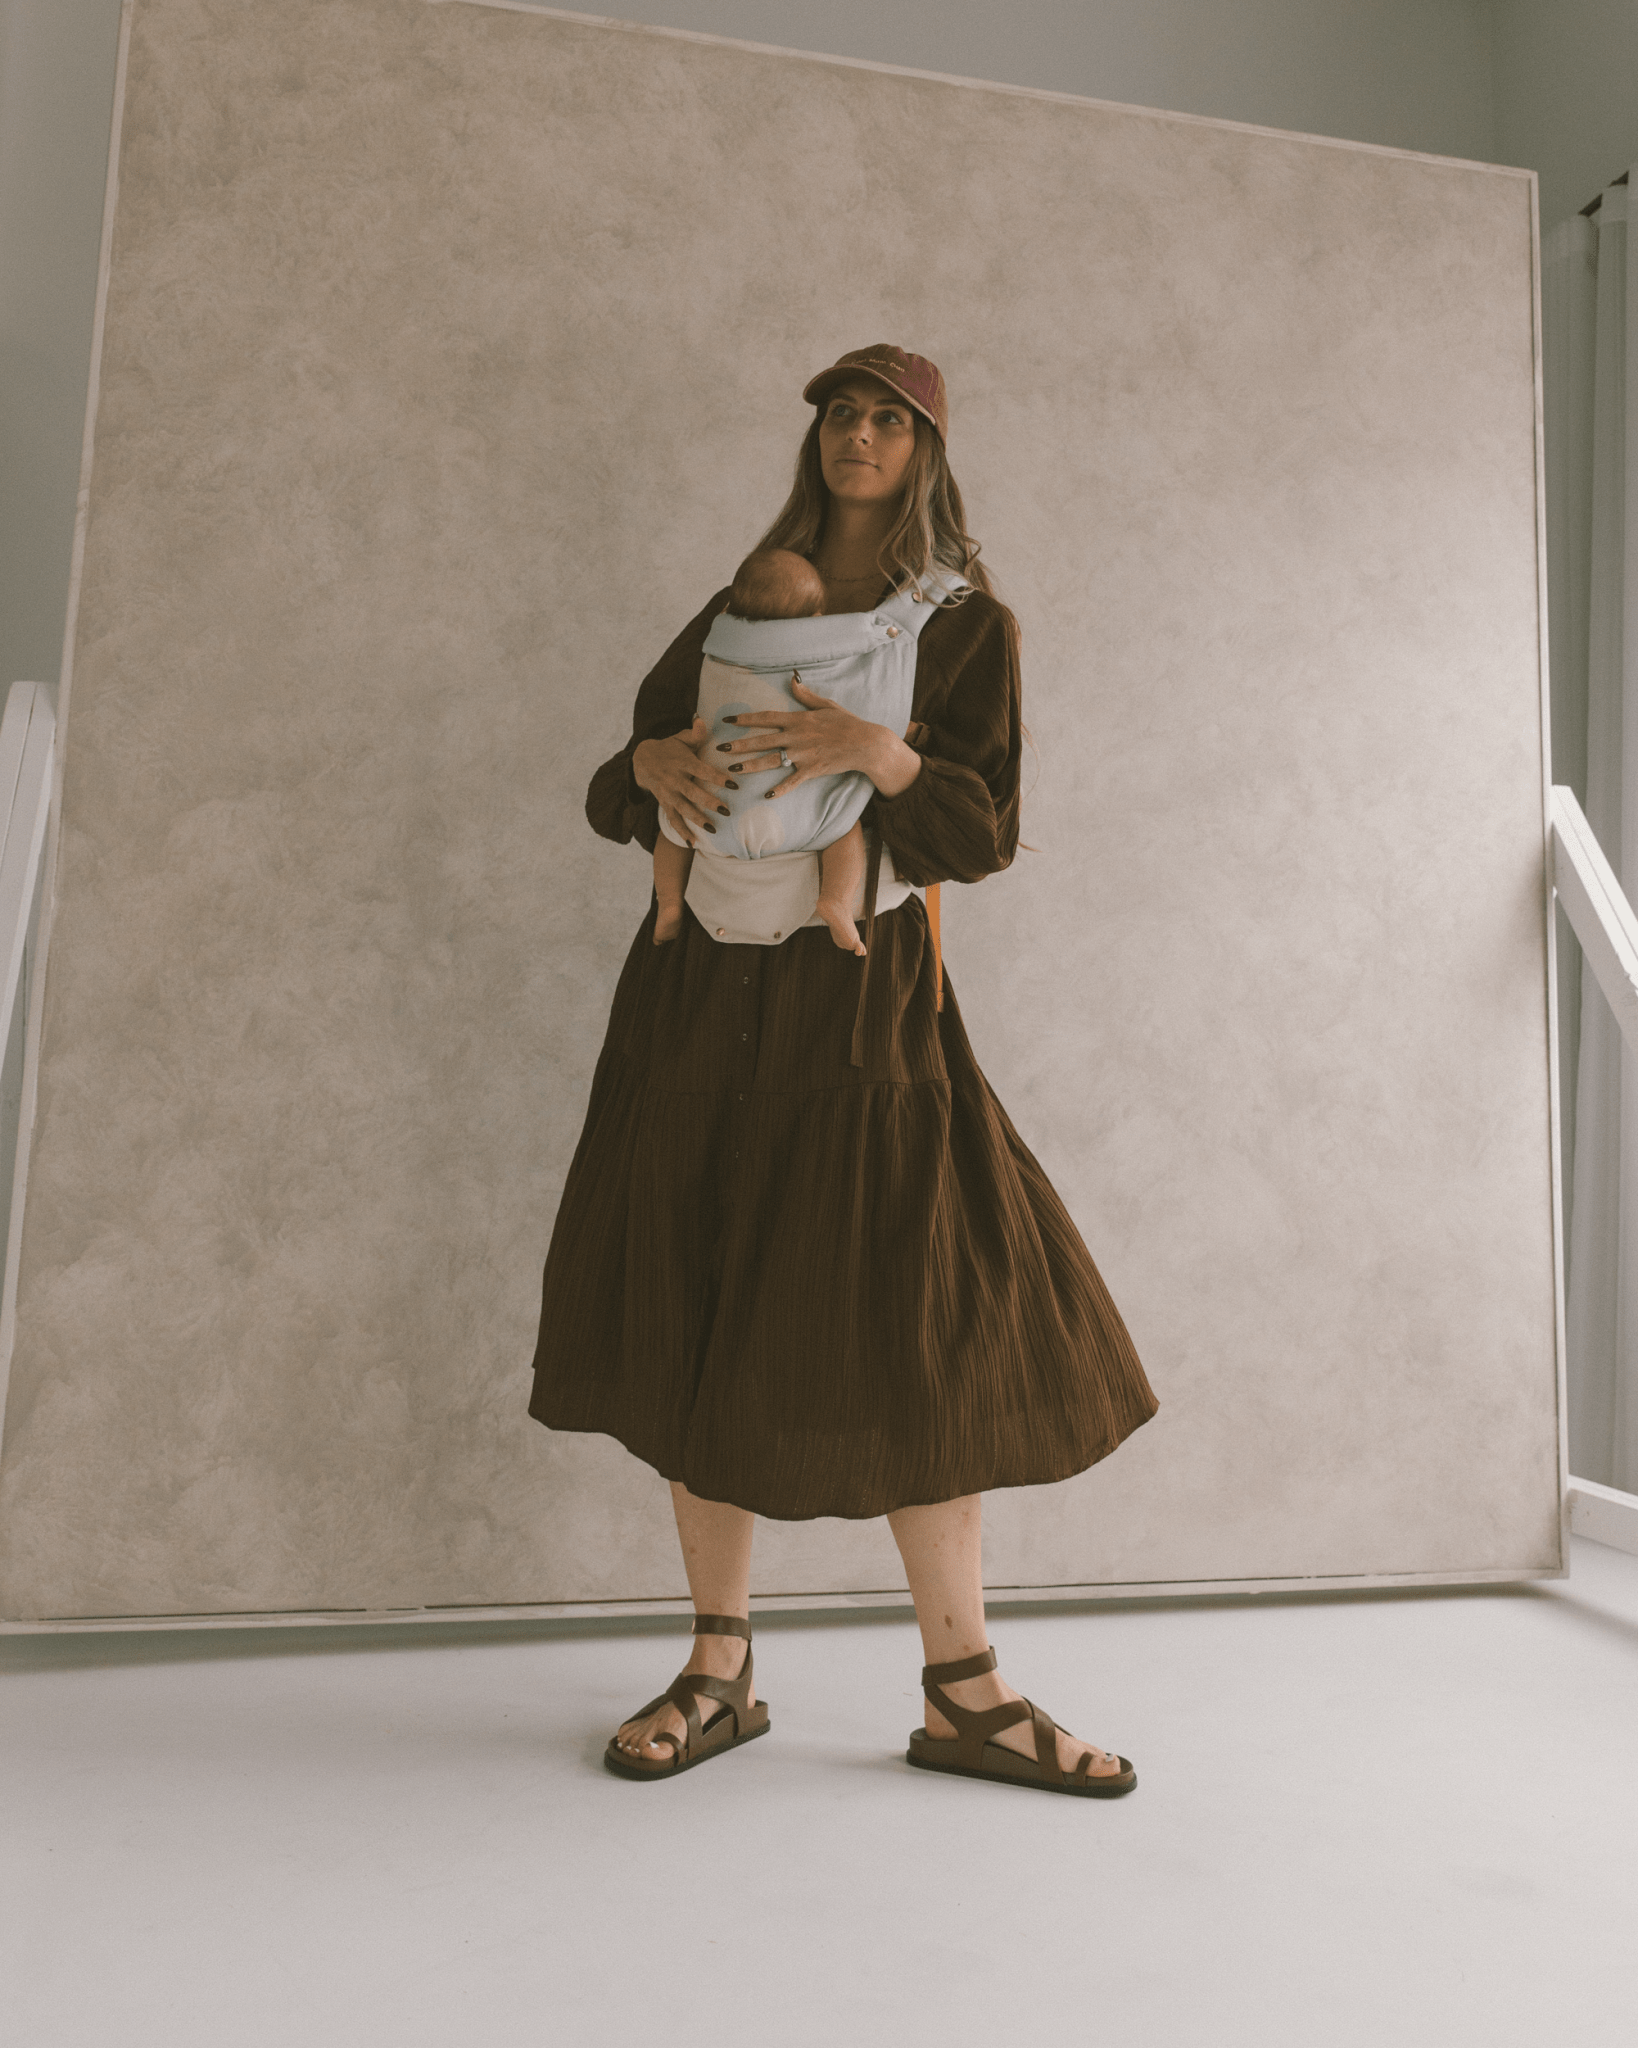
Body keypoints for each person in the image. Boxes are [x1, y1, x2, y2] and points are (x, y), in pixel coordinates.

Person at [529, 345, 1159, 1797]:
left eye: (887, 417)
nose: (856, 434)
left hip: (866, 1009)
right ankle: (718, 1667)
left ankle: (966, 1691)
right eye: (839, 413)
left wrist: (879, 754)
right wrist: (646, 770)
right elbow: (622, 781)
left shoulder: (967, 627)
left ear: (925, 448)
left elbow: (981, 834)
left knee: (915, 1311)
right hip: (696, 1002)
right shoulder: (739, 601)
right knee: (698, 1287)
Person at [652, 546, 874, 956]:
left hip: (709, 814)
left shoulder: (714, 651)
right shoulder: (816, 668)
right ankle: (836, 900)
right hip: (795, 820)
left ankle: (668, 902)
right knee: (846, 826)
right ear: (815, 620)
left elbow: (690, 722)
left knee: (671, 826)